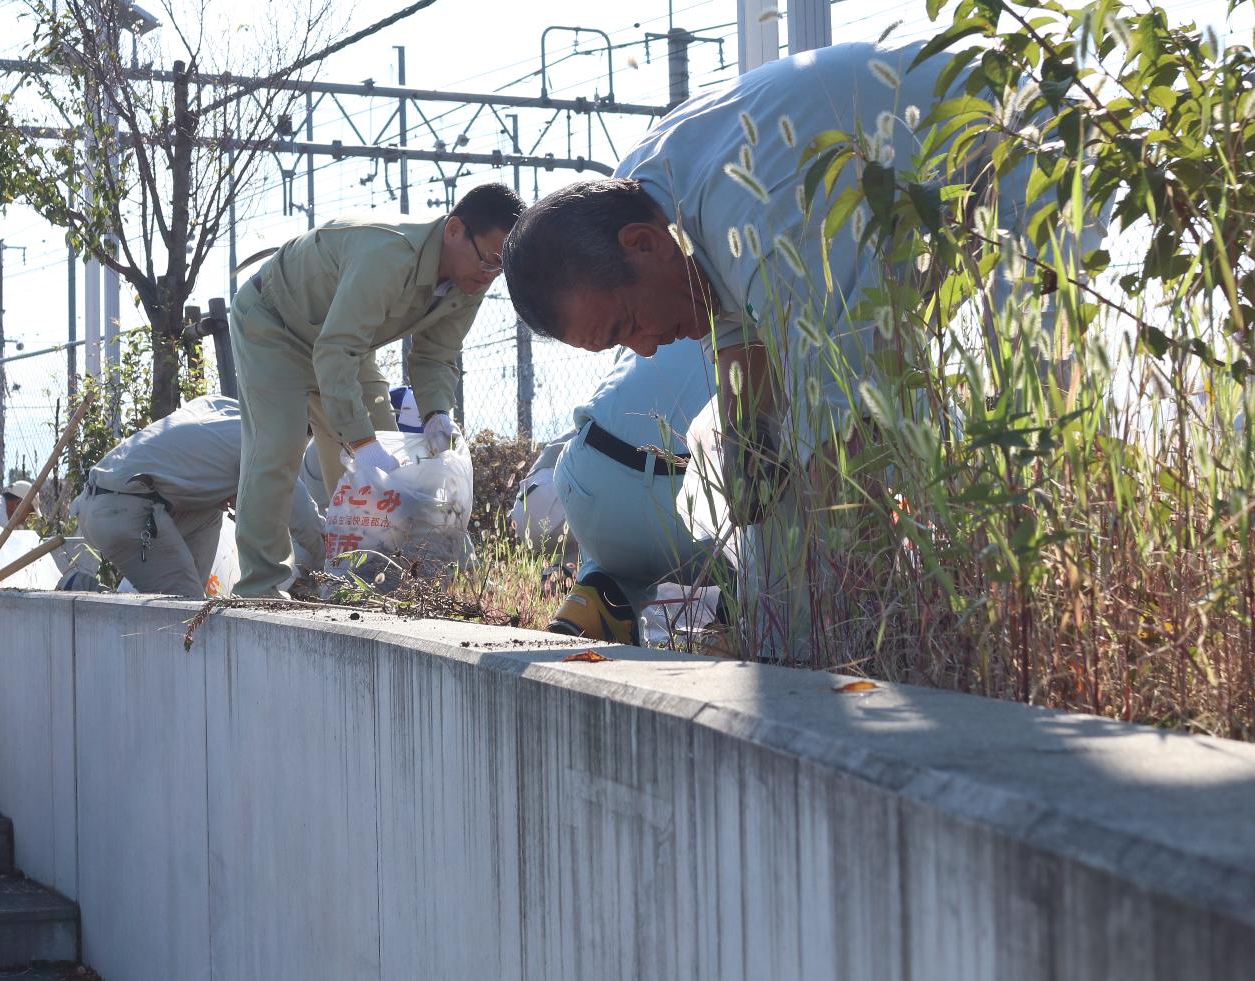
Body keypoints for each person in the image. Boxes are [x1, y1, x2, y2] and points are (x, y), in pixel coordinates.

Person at [503, 43, 1042, 656]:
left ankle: (1015, 636)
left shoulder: (763, 210)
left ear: (643, 245)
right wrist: (747, 453)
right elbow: (744, 340)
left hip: (1027, 156)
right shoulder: (645, 190)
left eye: (628, 324)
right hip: (937, 205)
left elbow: (844, 433)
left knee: (1029, 422)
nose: (646, 350)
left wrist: (825, 634)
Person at [228, 183, 524, 599]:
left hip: (343, 343)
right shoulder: (388, 254)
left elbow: (437, 355)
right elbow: (335, 351)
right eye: (489, 260)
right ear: (454, 229)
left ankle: (383, 584)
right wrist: (361, 441)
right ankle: (260, 587)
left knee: (393, 468)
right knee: (278, 446)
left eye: (501, 269)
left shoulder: (470, 277)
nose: (490, 275)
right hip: (274, 324)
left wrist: (437, 412)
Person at [545, 339, 718, 646]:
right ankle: (741, 619)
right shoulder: (760, 308)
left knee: (602, 468)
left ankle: (599, 592)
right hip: (691, 506)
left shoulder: (648, 302)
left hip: (593, 485)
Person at [73, 395, 242, 598]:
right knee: (184, 611)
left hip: (101, 502)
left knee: (210, 513)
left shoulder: (220, 411)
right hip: (126, 509)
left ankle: (191, 593)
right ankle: (88, 597)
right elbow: (280, 515)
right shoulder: (264, 440)